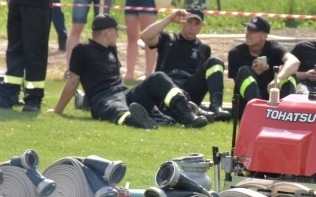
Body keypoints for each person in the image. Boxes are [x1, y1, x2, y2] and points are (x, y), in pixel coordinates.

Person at [51, 14, 208, 129]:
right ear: (107, 32)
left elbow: (117, 79)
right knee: (118, 109)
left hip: (123, 92)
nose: (118, 34)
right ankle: (136, 120)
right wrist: (57, 110)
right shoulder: (82, 50)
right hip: (102, 99)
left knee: (158, 77)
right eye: (116, 30)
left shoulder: (111, 49)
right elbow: (72, 82)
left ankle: (187, 116)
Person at [140, 5, 232, 122]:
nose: (192, 27)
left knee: (216, 62)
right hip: (167, 86)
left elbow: (203, 79)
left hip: (190, 89)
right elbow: (144, 36)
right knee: (163, 83)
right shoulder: (168, 39)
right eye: (189, 22)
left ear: (202, 26)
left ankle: (216, 107)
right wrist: (169, 19)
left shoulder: (204, 48)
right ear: (183, 21)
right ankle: (190, 111)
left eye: (196, 24)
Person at [228, 16, 300, 118]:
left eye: (253, 31)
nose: (248, 33)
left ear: (264, 35)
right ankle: (259, 112)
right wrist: (253, 72)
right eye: (248, 29)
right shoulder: (236, 53)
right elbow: (238, 84)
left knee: (290, 75)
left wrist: (278, 78)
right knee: (244, 71)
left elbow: (294, 62)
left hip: (271, 97)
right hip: (248, 105)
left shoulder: (273, 47)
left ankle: (286, 112)